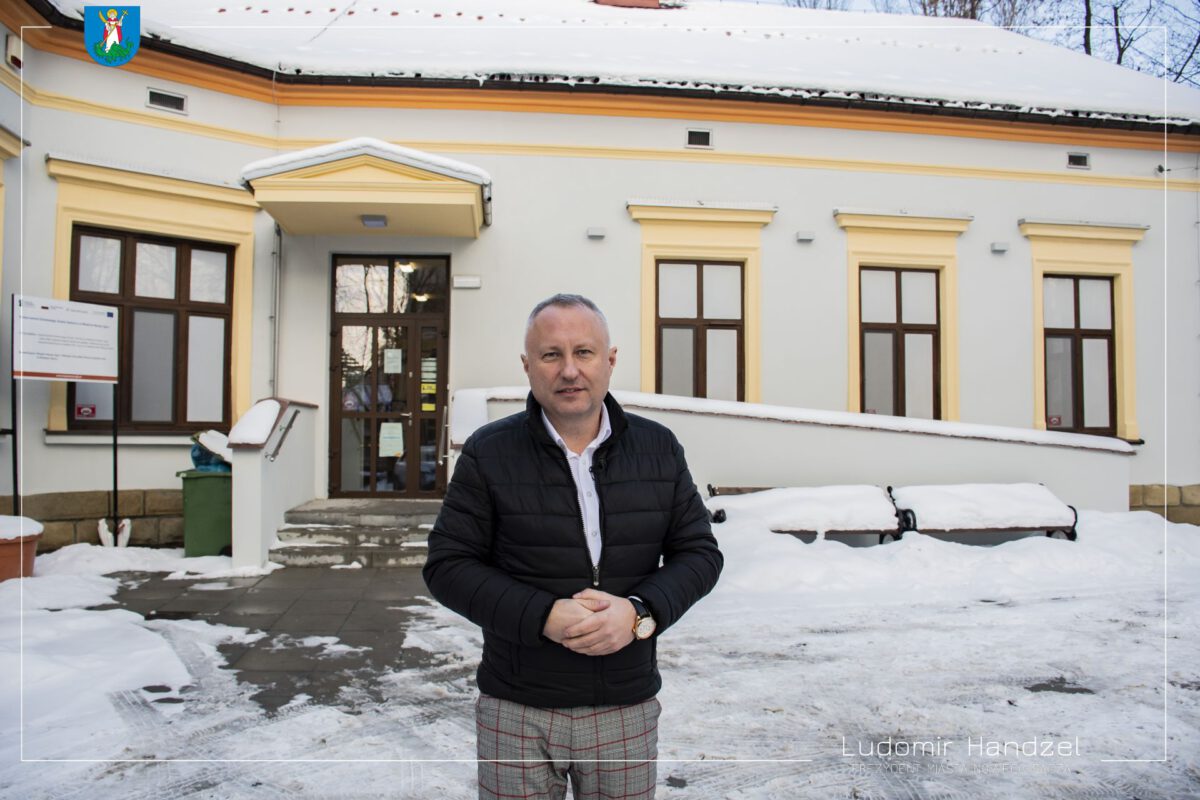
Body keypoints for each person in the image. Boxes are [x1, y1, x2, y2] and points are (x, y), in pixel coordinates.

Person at [423, 293, 723, 800]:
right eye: (550, 355)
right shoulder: (488, 453)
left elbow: (700, 554)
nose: (569, 370)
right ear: (527, 365)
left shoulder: (658, 448)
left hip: (624, 707)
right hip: (516, 709)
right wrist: (541, 615)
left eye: (583, 352)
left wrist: (639, 613)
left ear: (610, 360)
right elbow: (448, 566)